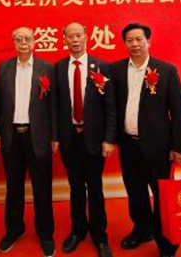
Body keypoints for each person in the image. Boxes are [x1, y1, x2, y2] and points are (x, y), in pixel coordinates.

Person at [111, 23, 181, 257]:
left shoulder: (166, 70)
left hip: (158, 147)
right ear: (124, 43)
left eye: (139, 39)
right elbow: (111, 108)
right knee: (135, 193)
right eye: (129, 40)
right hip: (128, 145)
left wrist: (179, 147)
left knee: (162, 196)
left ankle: (166, 241)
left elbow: (178, 111)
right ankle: (142, 230)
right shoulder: (115, 70)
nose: (134, 44)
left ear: (148, 41)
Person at [0, 26, 57, 257]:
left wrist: (55, 136)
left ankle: (45, 233)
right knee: (14, 187)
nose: (23, 42)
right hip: (11, 136)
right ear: (14, 42)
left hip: (39, 136)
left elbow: (53, 105)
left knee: (42, 188)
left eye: (27, 38)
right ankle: (14, 229)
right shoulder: (4, 68)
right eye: (18, 38)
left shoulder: (47, 68)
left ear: (34, 41)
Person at [55, 22, 117, 257]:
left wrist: (109, 138)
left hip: (94, 139)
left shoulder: (101, 66)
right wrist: (55, 137)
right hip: (69, 138)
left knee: (95, 187)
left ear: (86, 37)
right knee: (75, 187)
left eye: (78, 35)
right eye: (70, 36)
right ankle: (78, 230)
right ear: (64, 39)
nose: (75, 40)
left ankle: (100, 236)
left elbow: (110, 107)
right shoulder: (59, 68)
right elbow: (55, 106)